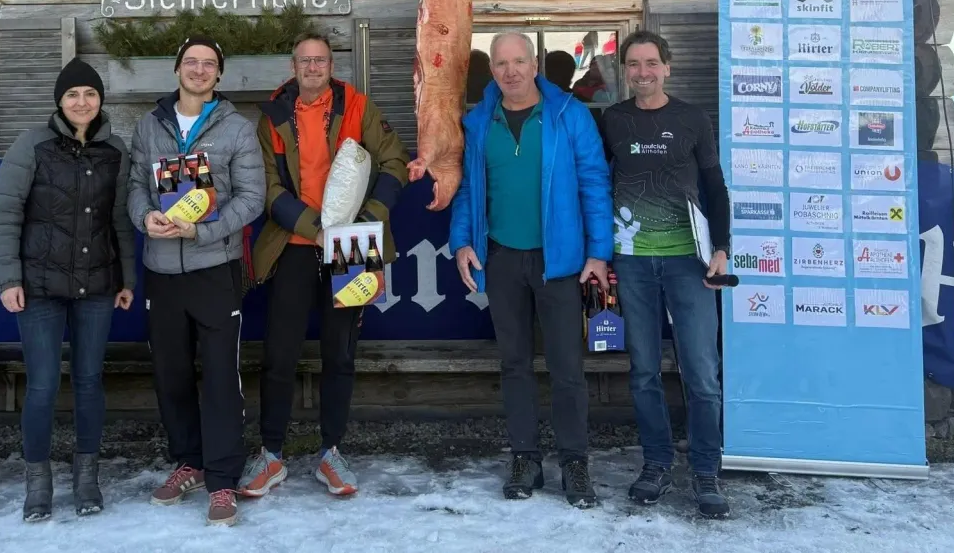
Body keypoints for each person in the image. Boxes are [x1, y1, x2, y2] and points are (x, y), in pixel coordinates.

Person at [239, 34, 409, 499]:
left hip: (352, 243)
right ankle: (271, 453)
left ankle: (331, 452)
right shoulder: (272, 115)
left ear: (331, 65)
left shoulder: (357, 105)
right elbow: (267, 187)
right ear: (293, 66)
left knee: (341, 353)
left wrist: (369, 219)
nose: (313, 67)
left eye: (320, 60)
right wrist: (315, 228)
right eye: (304, 60)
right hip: (297, 242)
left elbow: (396, 160)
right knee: (280, 353)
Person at [449, 31, 612, 508]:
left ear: (535, 63)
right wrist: (461, 242)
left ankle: (575, 460)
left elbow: (595, 184)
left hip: (559, 262)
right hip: (501, 258)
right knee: (514, 364)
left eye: (519, 61)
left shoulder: (569, 115)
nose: (510, 71)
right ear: (492, 69)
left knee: (566, 368)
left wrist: (598, 253)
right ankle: (525, 456)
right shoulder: (478, 121)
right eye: (501, 63)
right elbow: (467, 191)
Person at [0, 58, 136, 522]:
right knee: (44, 385)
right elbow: (6, 213)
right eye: (72, 94)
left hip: (96, 284)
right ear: (59, 100)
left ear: (100, 100)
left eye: (90, 94)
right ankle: (39, 484)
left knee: (90, 381)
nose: (81, 102)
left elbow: (120, 222)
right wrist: (8, 278)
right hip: (39, 287)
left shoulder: (115, 150)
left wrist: (128, 278)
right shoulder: (32, 145)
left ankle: (86, 477)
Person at [128, 36, 266, 527]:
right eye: (191, 63)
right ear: (177, 69)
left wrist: (201, 230)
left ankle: (222, 478)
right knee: (171, 373)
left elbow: (252, 198)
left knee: (221, 377)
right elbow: (135, 188)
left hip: (215, 268)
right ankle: (187, 461)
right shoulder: (150, 125)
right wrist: (145, 217)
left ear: (219, 76)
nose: (199, 71)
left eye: (209, 65)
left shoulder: (236, 129)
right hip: (162, 271)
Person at [600, 30, 731, 519]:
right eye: (633, 65)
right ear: (624, 71)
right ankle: (655, 462)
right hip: (631, 260)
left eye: (651, 63)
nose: (642, 73)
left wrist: (721, 248)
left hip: (688, 262)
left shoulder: (692, 118)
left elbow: (716, 186)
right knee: (644, 372)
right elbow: (597, 183)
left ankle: (705, 470)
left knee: (701, 372)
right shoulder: (612, 120)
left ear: (667, 67)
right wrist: (599, 252)